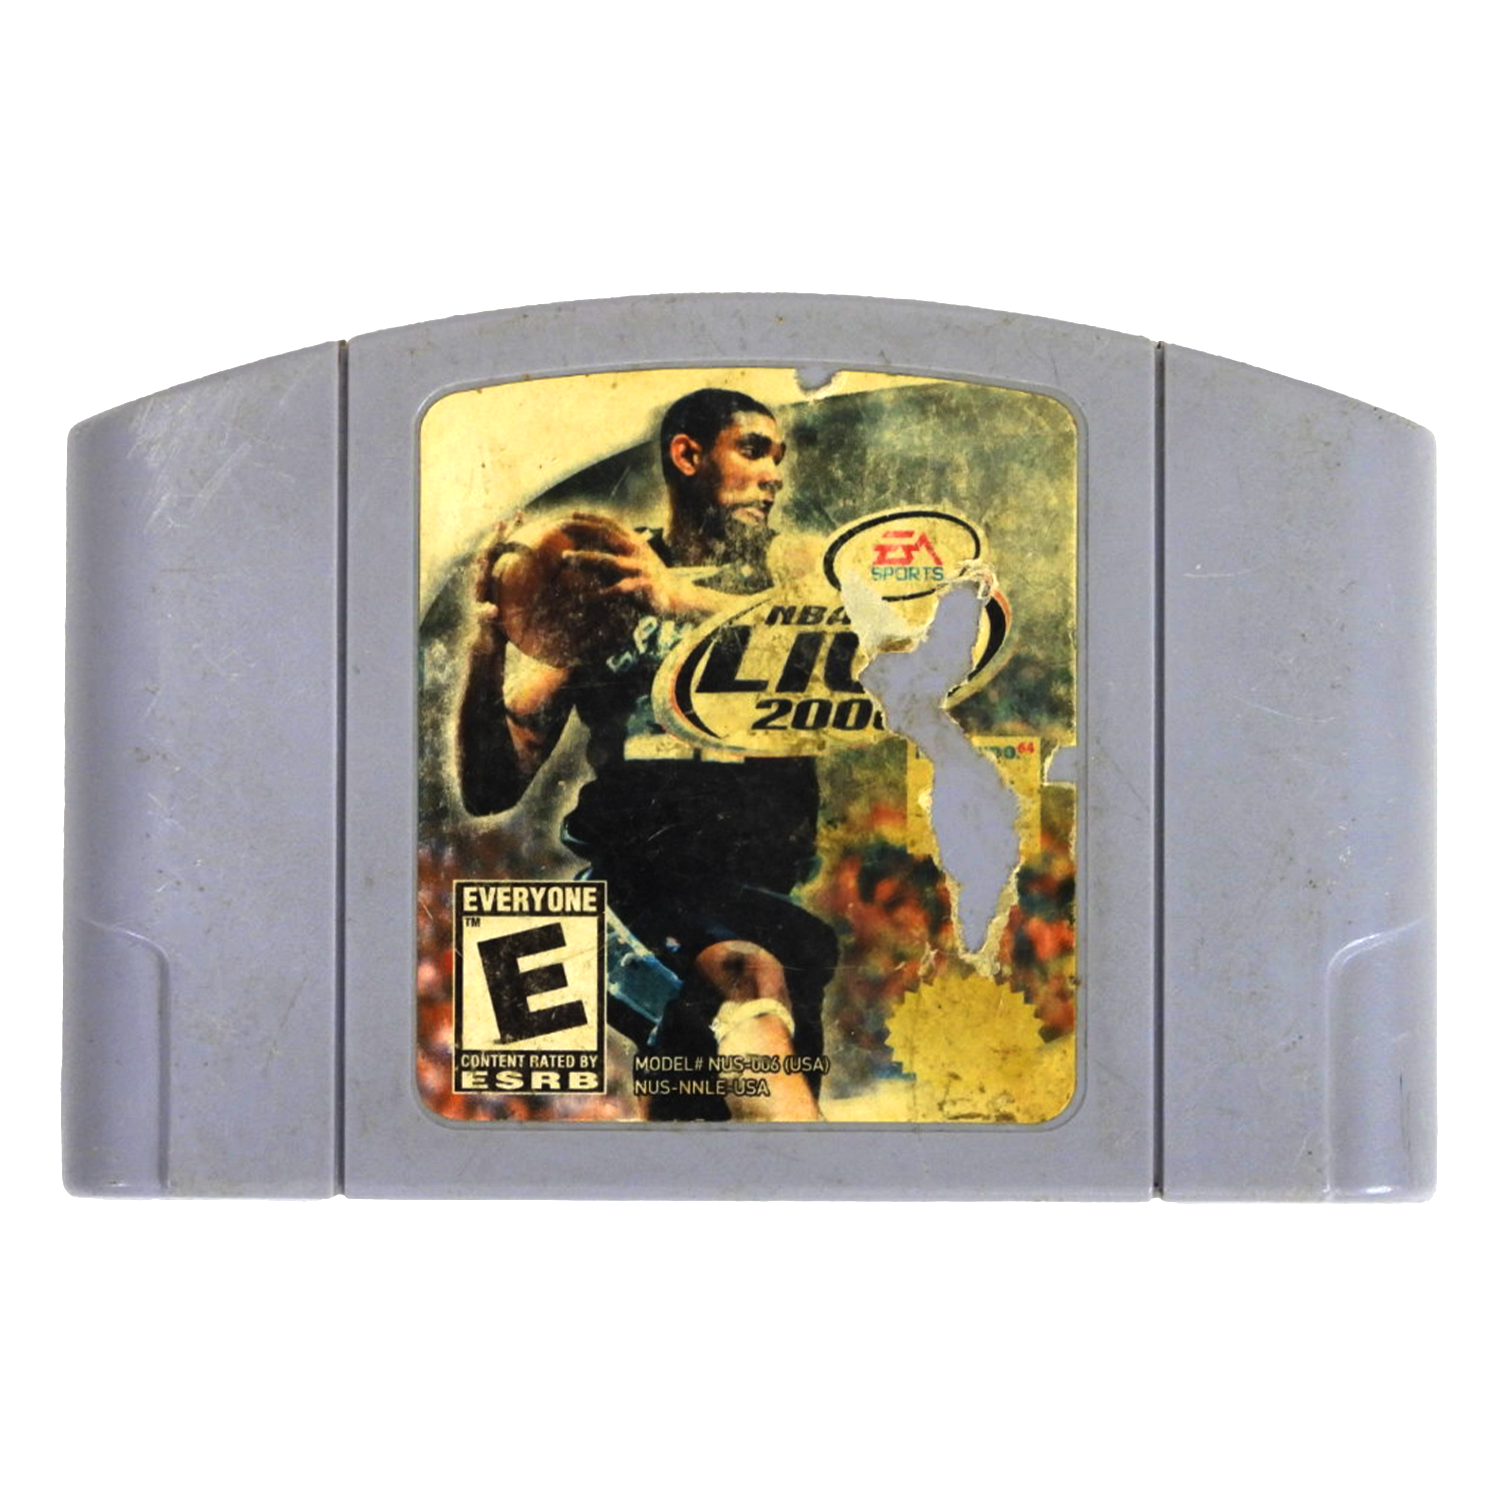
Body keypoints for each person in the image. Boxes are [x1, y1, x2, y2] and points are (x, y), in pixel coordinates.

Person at [456, 388, 837, 1121]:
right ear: (688, 456)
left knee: (706, 1117)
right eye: (752, 450)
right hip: (644, 883)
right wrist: (487, 650)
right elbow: (491, 786)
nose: (773, 475)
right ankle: (831, 1180)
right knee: (746, 986)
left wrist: (681, 600)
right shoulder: (605, 575)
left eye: (778, 457)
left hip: (761, 892)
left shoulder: (794, 568)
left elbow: (867, 646)